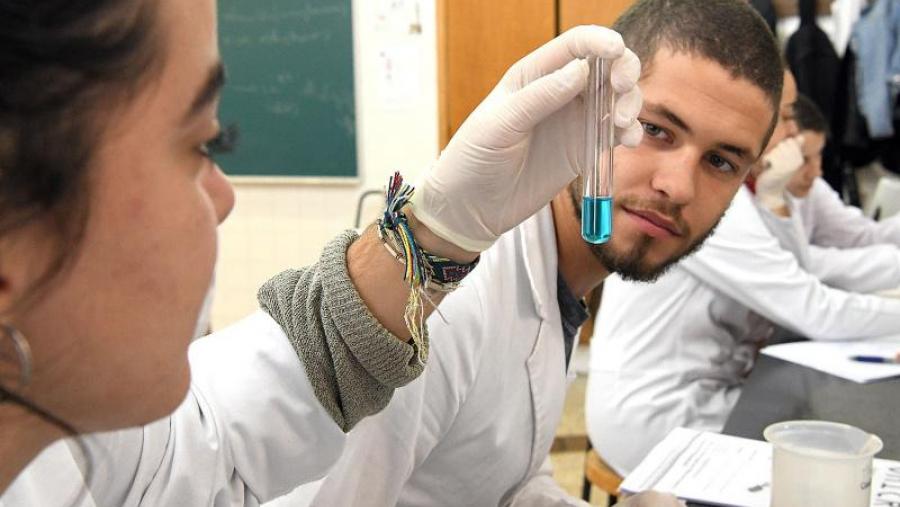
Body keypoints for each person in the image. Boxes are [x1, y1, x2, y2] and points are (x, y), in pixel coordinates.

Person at [0, 1, 645, 505]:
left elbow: (213, 447)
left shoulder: (82, 433)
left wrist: (434, 237)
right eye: (207, 143)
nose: (222, 199)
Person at [308, 1, 783, 505]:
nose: (678, 186)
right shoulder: (450, 308)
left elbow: (501, 480)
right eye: (654, 129)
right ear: (591, 106)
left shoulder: (563, 278)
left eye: (721, 162)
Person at [586, 71, 900, 477]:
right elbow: (809, 303)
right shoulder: (715, 202)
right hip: (660, 416)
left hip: (708, 390)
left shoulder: (748, 192)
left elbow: (797, 274)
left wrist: (773, 198)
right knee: (833, 453)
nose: (793, 131)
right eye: (786, 116)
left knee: (836, 426)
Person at [756, 93, 900, 294]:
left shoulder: (813, 188)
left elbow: (860, 235)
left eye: (819, 156)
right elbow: (796, 263)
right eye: (803, 159)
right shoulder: (743, 202)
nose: (816, 172)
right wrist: (892, 261)